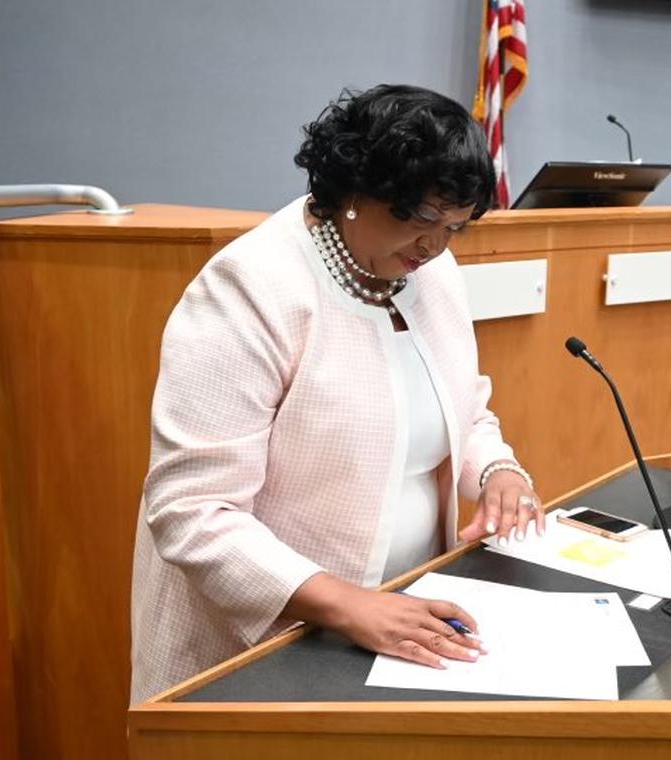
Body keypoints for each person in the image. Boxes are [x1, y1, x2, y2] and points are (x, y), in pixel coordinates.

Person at [130, 84, 543, 702]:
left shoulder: (429, 272)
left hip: (400, 618)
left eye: (455, 228)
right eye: (421, 219)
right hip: (265, 643)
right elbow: (192, 513)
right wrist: (349, 605)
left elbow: (464, 410)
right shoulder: (250, 289)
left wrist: (497, 473)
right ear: (352, 190)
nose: (434, 247)